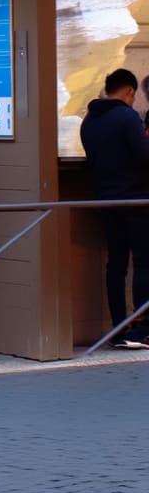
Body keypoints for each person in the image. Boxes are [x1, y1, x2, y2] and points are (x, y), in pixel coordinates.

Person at [80, 68, 149, 349]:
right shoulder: (127, 117)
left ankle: (118, 328)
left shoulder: (89, 121)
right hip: (135, 200)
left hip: (107, 200)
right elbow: (144, 157)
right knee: (143, 263)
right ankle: (141, 329)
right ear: (129, 91)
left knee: (116, 265)